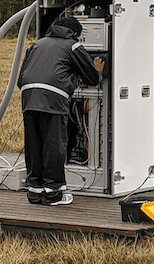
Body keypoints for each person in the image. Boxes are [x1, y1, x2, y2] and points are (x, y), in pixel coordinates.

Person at [17, 16, 105, 206]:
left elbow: (20, 79)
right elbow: (92, 78)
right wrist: (97, 70)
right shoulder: (73, 46)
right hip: (53, 99)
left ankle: (34, 192)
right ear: (74, 34)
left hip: (29, 97)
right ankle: (53, 194)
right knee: (53, 146)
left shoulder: (36, 45)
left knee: (35, 145)